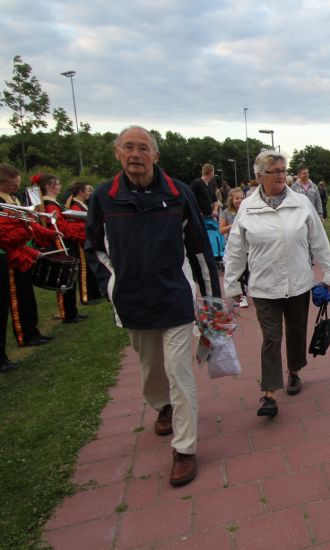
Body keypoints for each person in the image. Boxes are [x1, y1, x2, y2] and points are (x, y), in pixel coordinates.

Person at [86, 126, 221, 486]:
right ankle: (162, 406)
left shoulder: (177, 193)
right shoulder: (104, 197)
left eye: (143, 148)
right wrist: (112, 284)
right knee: (150, 367)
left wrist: (212, 298)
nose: (136, 154)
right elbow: (93, 248)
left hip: (174, 297)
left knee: (180, 370)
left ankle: (185, 448)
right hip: (131, 300)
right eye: (128, 147)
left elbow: (198, 249)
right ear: (117, 153)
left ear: (155, 155)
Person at [223, 150, 330, 417]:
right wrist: (232, 284)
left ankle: (294, 371)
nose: (282, 175)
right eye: (275, 171)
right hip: (264, 286)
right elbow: (236, 249)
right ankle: (269, 393)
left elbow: (319, 240)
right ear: (260, 175)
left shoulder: (301, 203)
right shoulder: (247, 207)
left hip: (298, 282)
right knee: (271, 338)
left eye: (284, 170)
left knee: (296, 331)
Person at [0, 164, 55, 349]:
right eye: (13, 184)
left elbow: (27, 223)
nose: (17, 186)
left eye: (18, 183)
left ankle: (32, 331)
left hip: (22, 251)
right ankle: (25, 335)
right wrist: (25, 229)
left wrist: (47, 233)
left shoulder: (13, 197)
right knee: (17, 299)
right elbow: (8, 232)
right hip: (10, 256)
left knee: (27, 296)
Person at [36, 173, 87, 324]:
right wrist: (81, 227)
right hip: (62, 243)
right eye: (57, 184)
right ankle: (67, 314)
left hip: (67, 242)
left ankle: (72, 311)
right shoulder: (50, 204)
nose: (60, 186)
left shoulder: (54, 202)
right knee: (64, 279)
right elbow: (60, 226)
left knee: (70, 278)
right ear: (48, 186)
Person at [65, 181, 102, 304]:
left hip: (87, 239)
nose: (89, 193)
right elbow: (77, 226)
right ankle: (86, 296)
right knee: (84, 270)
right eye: (87, 190)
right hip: (81, 241)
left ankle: (94, 293)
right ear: (81, 192)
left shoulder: (81, 204)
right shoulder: (75, 206)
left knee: (90, 269)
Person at [219, 188, 249, 308]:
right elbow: (221, 230)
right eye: (237, 198)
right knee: (238, 271)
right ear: (231, 199)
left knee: (248, 270)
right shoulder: (226, 212)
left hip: (248, 245)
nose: (239, 200)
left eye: (241, 198)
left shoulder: (247, 210)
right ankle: (242, 296)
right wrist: (235, 224)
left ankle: (246, 289)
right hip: (233, 246)